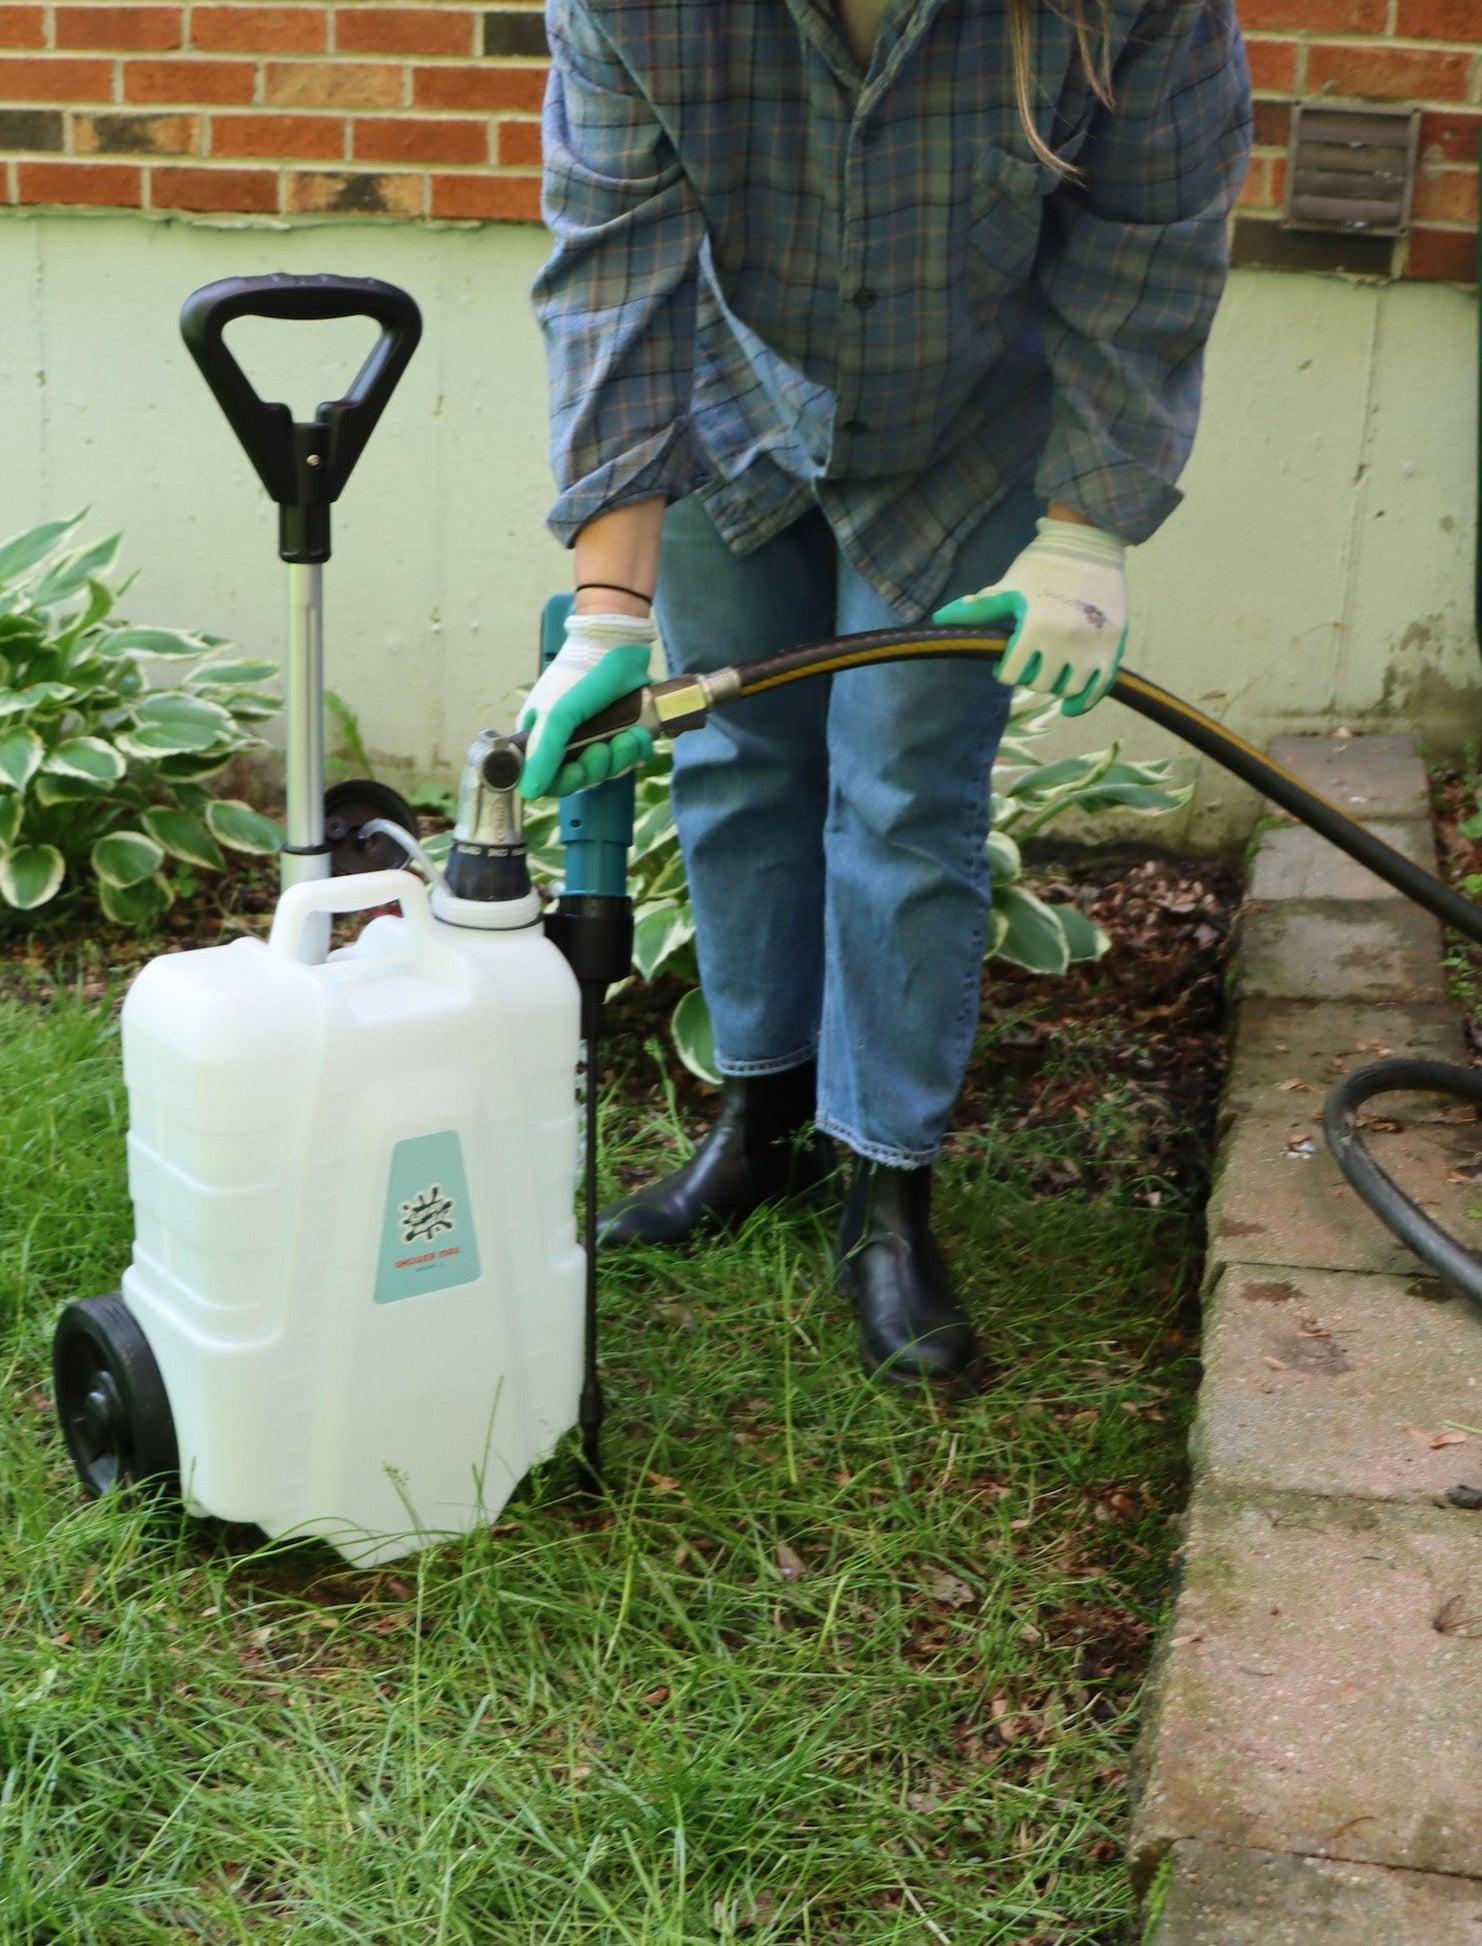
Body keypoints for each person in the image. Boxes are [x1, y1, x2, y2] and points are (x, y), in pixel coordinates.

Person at [518, 0, 1251, 1384]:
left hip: (969, 429)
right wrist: (608, 613)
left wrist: (1083, 536)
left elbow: (1148, 256)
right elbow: (615, 271)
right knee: (733, 758)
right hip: (733, 408)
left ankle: (883, 1189)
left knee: (905, 789)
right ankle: (760, 1129)